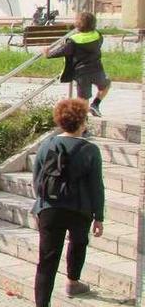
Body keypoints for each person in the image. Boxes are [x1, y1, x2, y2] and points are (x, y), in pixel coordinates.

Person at [32, 98, 104, 306]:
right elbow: (96, 186)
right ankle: (72, 282)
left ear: (60, 121)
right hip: (79, 209)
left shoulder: (47, 145)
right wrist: (98, 217)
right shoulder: (90, 150)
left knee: (47, 259)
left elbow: (37, 180)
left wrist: (42, 206)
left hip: (49, 208)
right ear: (82, 123)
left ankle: (42, 303)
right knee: (78, 244)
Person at [42, 12, 111, 117]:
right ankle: (95, 104)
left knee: (83, 100)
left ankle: (83, 127)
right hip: (97, 70)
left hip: (81, 73)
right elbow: (99, 44)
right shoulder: (98, 35)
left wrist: (48, 54)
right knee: (106, 84)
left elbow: (62, 51)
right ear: (94, 24)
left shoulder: (73, 40)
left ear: (77, 25)